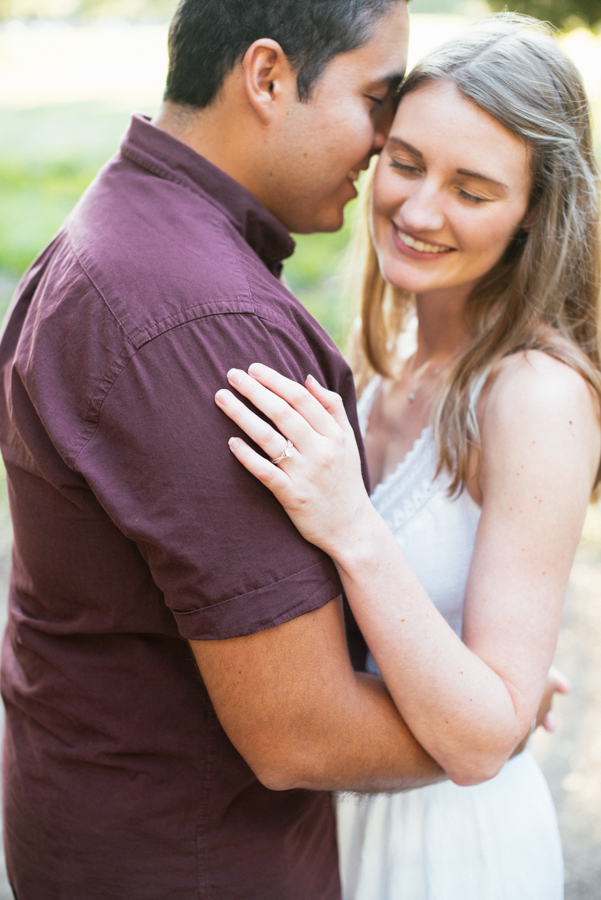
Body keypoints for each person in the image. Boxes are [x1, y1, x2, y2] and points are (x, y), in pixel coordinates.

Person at [0, 1, 462, 898]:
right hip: (194, 862)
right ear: (266, 77)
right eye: (375, 98)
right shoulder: (204, 324)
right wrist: (491, 723)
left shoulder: (121, 228)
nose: (383, 143)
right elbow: (303, 733)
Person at [214, 16, 601, 900]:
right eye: (407, 163)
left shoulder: (533, 394)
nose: (419, 211)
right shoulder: (377, 371)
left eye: (472, 190)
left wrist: (349, 522)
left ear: (536, 211)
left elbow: (475, 739)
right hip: (336, 827)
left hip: (452, 855)